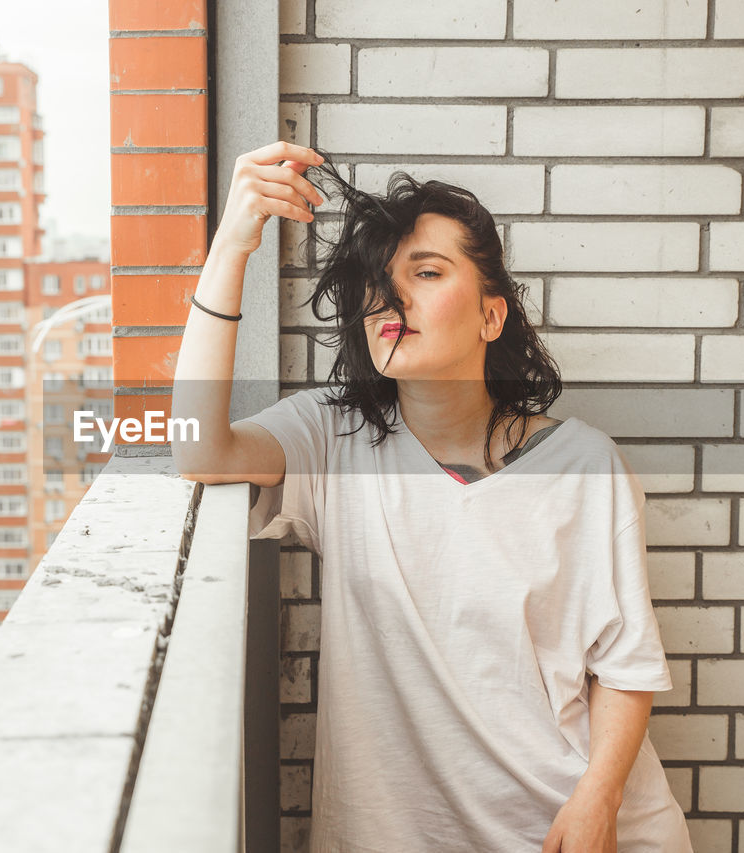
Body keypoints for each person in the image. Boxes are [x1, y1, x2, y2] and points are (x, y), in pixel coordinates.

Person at [171, 141, 692, 853]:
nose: (391, 297)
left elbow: (626, 664)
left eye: (427, 271)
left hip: (579, 830)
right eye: (379, 280)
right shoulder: (332, 436)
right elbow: (199, 449)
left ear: (490, 316)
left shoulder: (582, 465)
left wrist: (599, 800)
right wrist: (231, 245)